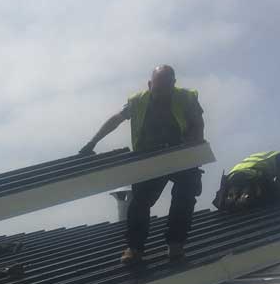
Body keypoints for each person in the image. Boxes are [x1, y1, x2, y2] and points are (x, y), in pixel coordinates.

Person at [79, 65, 206, 265]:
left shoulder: (186, 98)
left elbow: (198, 123)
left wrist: (195, 151)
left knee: (185, 195)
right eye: (157, 89)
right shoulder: (138, 101)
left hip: (180, 153)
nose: (161, 95)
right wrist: (92, 142)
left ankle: (176, 244)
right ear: (149, 85)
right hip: (149, 157)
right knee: (139, 202)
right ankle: (134, 248)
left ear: (173, 84)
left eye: (166, 89)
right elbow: (116, 120)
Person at [214, 151, 280, 212]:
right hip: (249, 177)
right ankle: (242, 198)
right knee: (274, 193)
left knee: (234, 197)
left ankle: (232, 198)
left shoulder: (267, 157)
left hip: (231, 179)